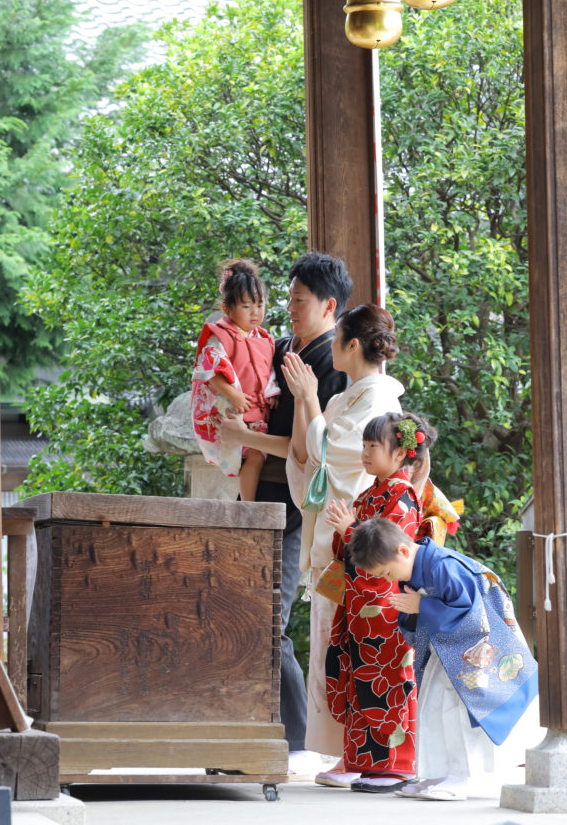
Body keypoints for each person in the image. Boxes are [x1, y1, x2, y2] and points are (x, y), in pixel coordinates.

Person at [219, 252, 353, 775]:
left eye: (299, 301)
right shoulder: (276, 345)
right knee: (243, 614)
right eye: (289, 299)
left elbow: (307, 449)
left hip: (296, 506)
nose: (290, 309)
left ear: (329, 306)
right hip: (255, 495)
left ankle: (297, 741)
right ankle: (259, 733)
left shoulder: (330, 362)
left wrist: (245, 436)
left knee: (269, 617)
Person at [281, 303, 405, 784]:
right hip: (332, 530)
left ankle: (358, 750)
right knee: (330, 644)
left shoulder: (379, 400)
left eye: (337, 338)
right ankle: (341, 749)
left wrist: (310, 398)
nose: (330, 345)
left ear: (354, 345)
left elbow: (333, 455)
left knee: (350, 645)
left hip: (356, 536)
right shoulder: (347, 399)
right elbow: (312, 460)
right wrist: (304, 401)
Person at [347, 518, 539, 801]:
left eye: (388, 573)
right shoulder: (417, 567)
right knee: (430, 704)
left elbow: (471, 615)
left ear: (402, 551)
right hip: (449, 647)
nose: (392, 581)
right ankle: (438, 772)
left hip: (475, 649)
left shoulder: (443, 566)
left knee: (456, 708)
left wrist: (421, 605)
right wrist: (416, 610)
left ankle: (463, 776)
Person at [322, 413, 429, 791]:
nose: (366, 453)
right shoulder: (371, 492)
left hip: (385, 603)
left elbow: (384, 553)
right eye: (364, 446)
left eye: (373, 446)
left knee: (389, 680)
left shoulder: (403, 495)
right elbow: (348, 550)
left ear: (400, 454)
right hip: (358, 601)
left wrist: (348, 529)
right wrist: (345, 529)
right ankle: (365, 762)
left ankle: (396, 764)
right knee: (359, 681)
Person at [191, 259, 280, 500]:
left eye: (260, 305)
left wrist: (271, 394)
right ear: (227, 309)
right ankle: (245, 507)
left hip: (256, 410)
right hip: (230, 409)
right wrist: (232, 394)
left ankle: (247, 506)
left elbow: (268, 372)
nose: (256, 312)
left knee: (255, 456)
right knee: (239, 455)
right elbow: (208, 372)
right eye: (247, 306)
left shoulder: (264, 338)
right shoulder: (219, 335)